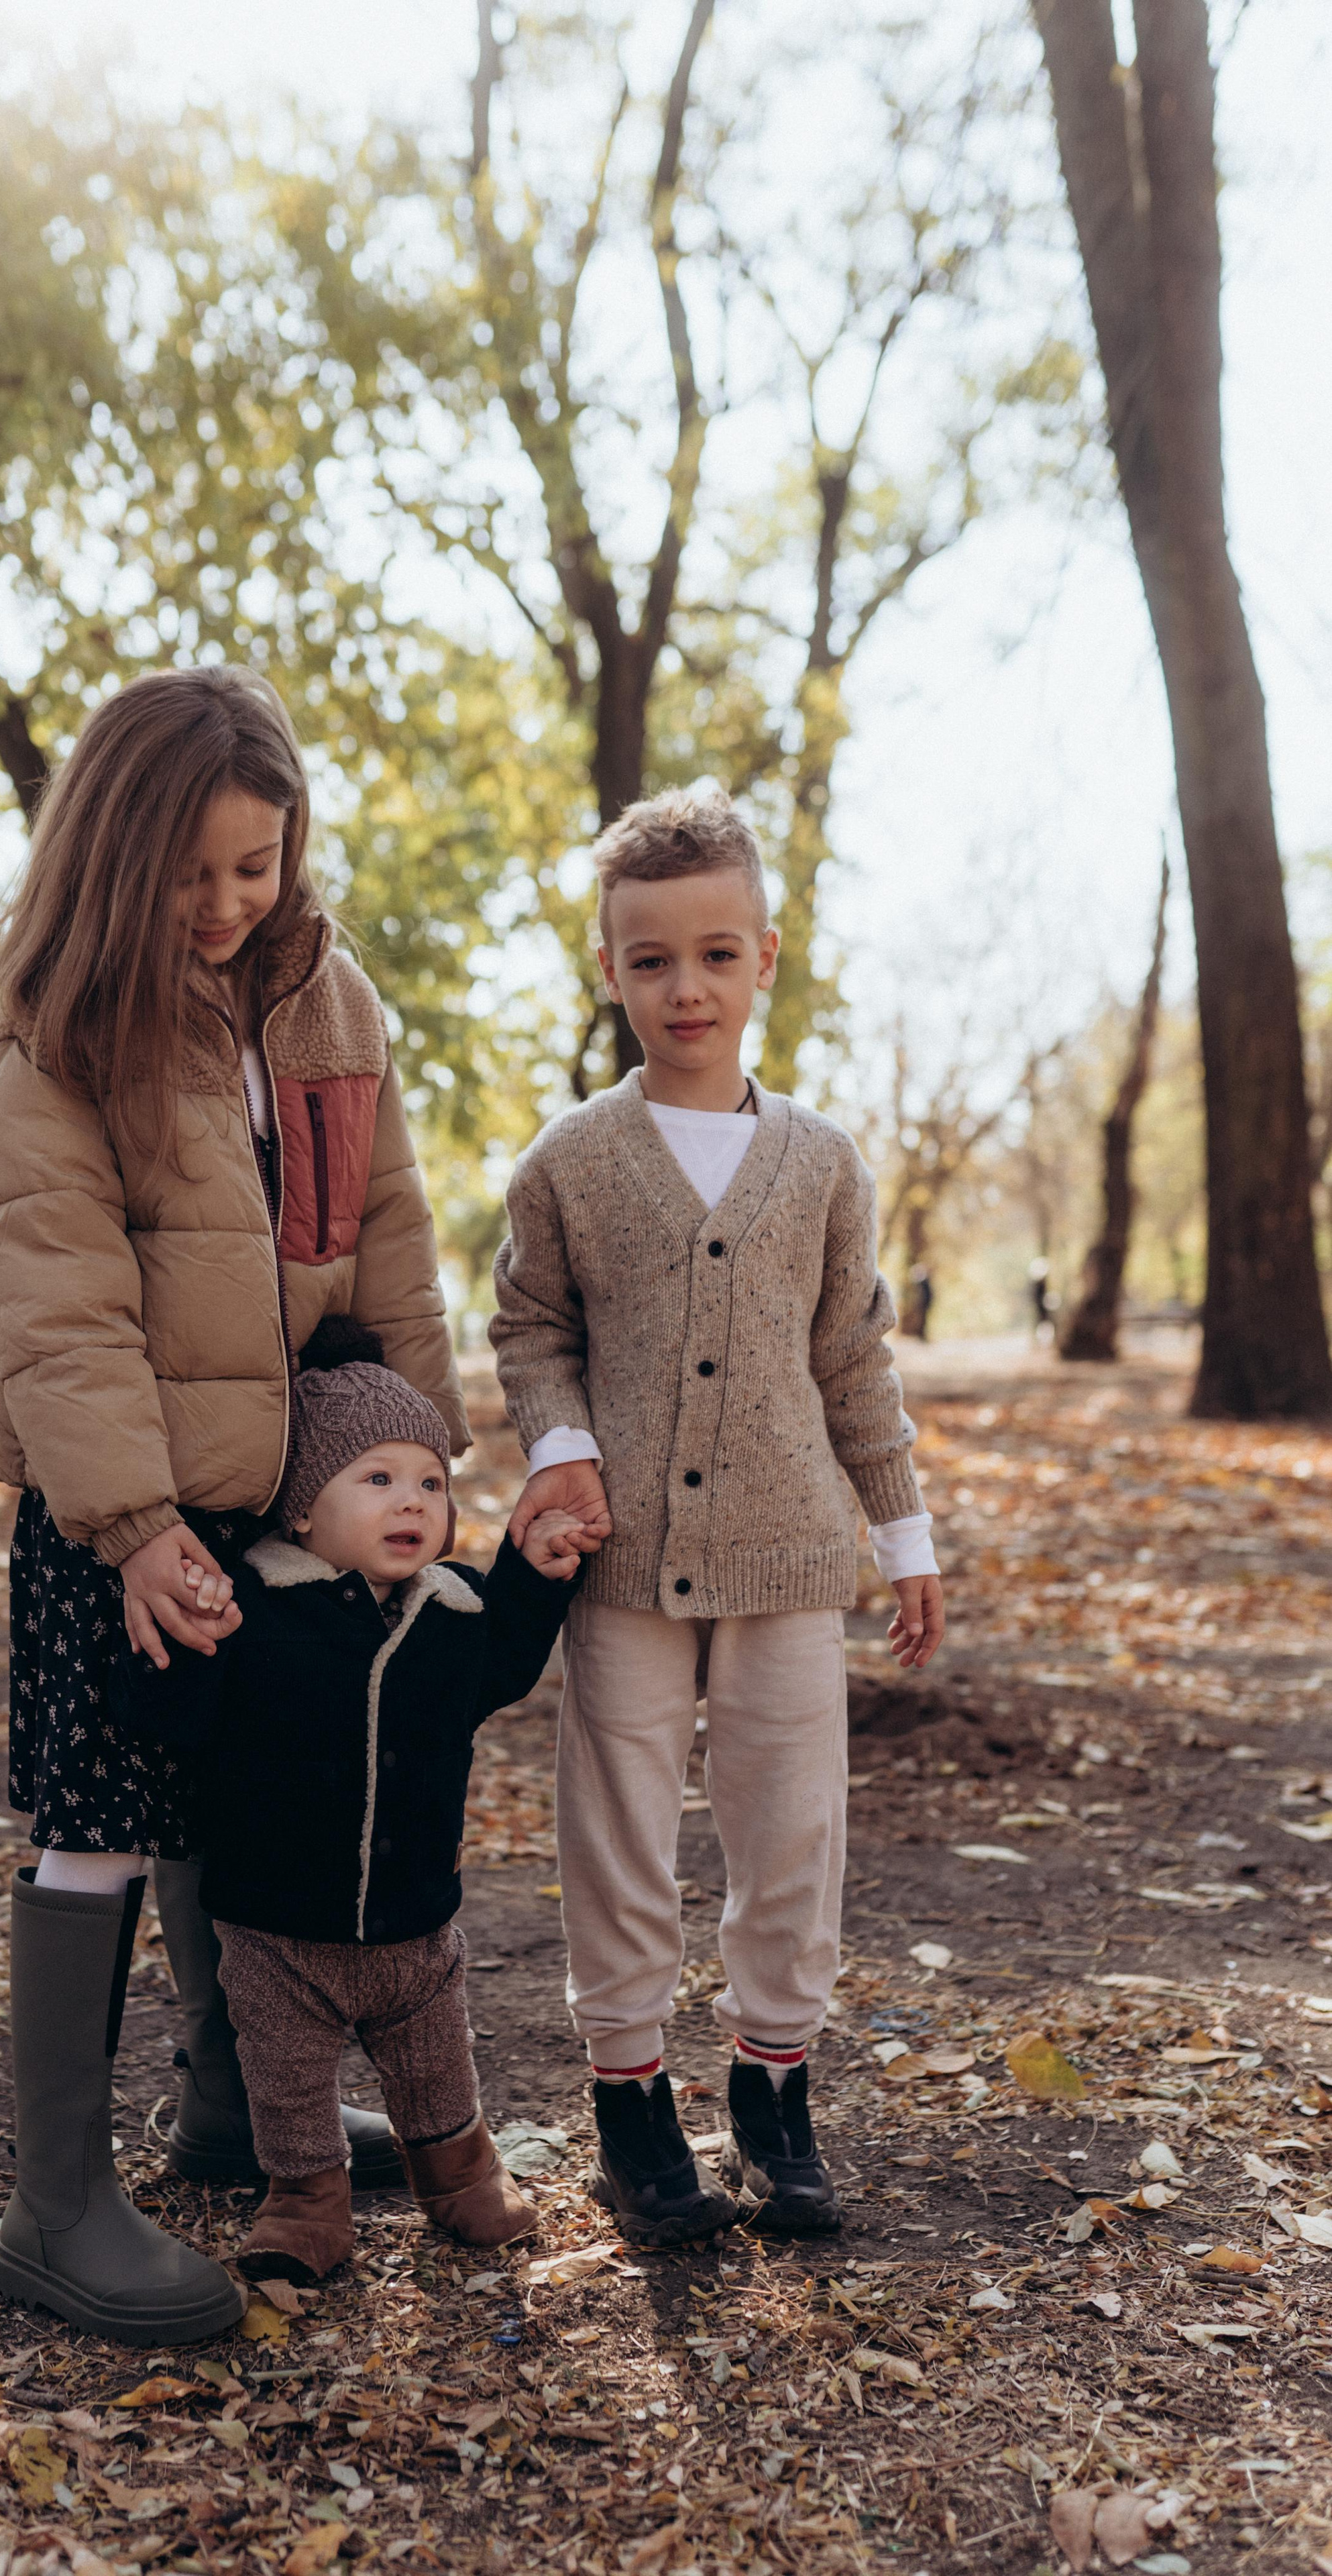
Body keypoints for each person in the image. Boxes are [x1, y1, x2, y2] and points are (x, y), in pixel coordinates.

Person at [0, 665, 468, 2344]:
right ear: (114, 855)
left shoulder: (329, 998)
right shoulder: (50, 1039)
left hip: (277, 1488)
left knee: (247, 1809)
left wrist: (415, 1445)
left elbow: (383, 1222)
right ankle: (55, 2209)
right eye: (192, 872)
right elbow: (59, 1313)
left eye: (255, 864)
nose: (228, 901)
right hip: (116, 1511)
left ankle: (238, 2110)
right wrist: (130, 1526)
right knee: (101, 1817)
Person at [491, 788, 947, 2248]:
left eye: (711, 956)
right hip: (619, 1564)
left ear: (762, 957)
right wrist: (559, 1449)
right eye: (647, 961)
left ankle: (771, 2090)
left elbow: (850, 1356)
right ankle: (630, 2102)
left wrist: (903, 1532)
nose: (681, 988)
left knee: (786, 1829)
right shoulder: (566, 1162)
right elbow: (527, 1328)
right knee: (617, 1827)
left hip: (789, 1556)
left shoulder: (819, 1164)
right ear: (608, 970)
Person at [107, 1320, 587, 2285]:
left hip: (415, 1928)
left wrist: (532, 1575)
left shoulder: (450, 1615)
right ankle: (305, 2203)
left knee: (435, 2070)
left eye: (430, 1483)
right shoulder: (255, 1612)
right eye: (376, 1480)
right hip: (278, 1931)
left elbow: (502, 1668)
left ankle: (458, 2179)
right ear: (299, 1513)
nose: (411, 1501)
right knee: (286, 2088)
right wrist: (184, 1638)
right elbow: (176, 1725)